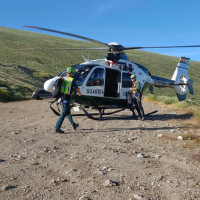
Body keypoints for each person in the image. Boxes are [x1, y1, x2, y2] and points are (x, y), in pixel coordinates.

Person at [55, 67, 81, 133]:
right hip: (67, 98)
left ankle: (74, 125)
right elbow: (77, 88)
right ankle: (57, 127)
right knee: (63, 113)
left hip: (61, 98)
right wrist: (80, 94)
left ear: (67, 73)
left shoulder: (63, 78)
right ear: (72, 73)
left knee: (68, 112)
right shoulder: (72, 80)